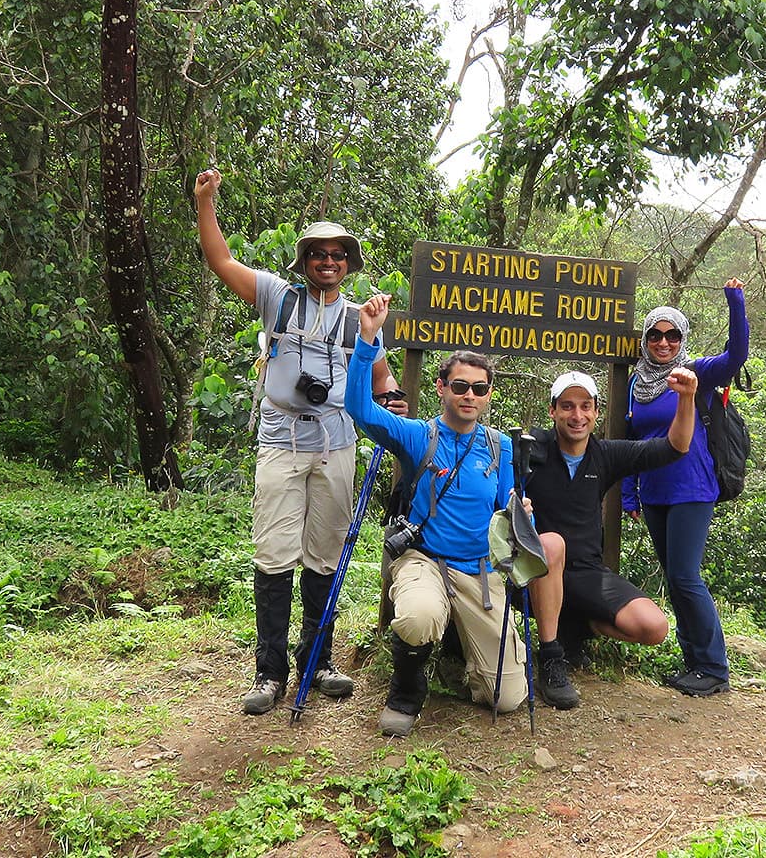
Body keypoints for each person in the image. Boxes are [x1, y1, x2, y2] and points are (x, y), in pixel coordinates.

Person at [194, 169, 405, 715]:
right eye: (318, 254)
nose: (327, 262)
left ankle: (320, 661)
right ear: (304, 260)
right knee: (274, 554)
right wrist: (206, 203)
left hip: (336, 444)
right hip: (280, 440)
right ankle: (269, 672)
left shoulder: (363, 318)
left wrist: (393, 395)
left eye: (337, 254)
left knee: (326, 554)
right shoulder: (276, 297)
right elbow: (220, 261)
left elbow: (381, 379)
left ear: (348, 263)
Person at [344, 293, 532, 737]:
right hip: (424, 560)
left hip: (478, 572)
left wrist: (520, 513)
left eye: (479, 388)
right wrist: (368, 340)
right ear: (441, 387)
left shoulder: (499, 445)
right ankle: (406, 691)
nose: (470, 395)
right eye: (460, 386)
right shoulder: (417, 436)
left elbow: (506, 503)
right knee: (417, 616)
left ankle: (452, 658)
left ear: (488, 395)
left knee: (507, 697)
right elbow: (360, 410)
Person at [523, 368, 696, 710]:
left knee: (653, 627)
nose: (577, 416)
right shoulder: (529, 449)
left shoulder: (605, 455)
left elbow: (676, 446)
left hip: (586, 573)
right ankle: (552, 658)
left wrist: (687, 398)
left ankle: (575, 623)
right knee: (551, 543)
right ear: (553, 410)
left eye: (585, 406)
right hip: (533, 571)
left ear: (596, 412)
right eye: (568, 406)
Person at [622, 279, 749, 696]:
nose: (663, 342)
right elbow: (629, 439)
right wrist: (628, 492)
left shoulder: (696, 372)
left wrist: (735, 302)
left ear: (682, 339)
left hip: (692, 487)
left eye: (672, 334)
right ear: (645, 339)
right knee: (675, 579)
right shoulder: (636, 383)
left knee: (685, 575)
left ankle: (714, 666)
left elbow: (737, 356)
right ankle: (694, 662)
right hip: (654, 492)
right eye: (655, 334)